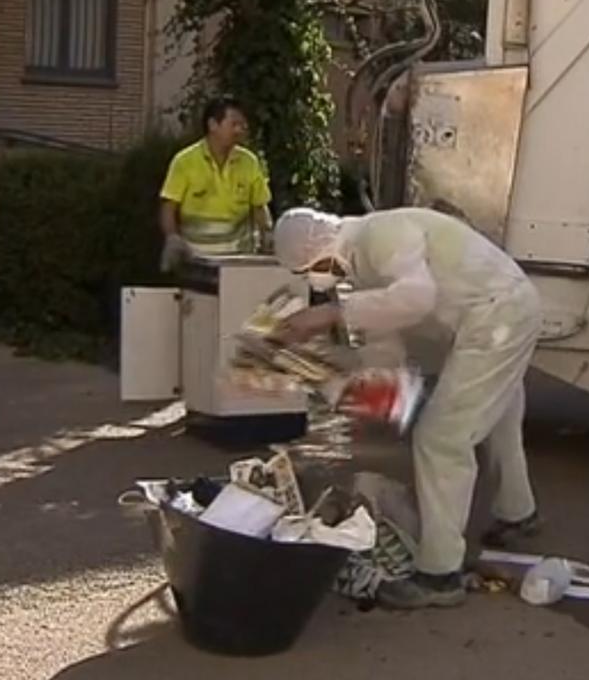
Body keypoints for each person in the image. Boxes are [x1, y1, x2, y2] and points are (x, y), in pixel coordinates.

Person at [271, 206, 543, 609]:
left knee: (441, 438)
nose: (315, 277)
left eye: (309, 267)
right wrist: (361, 385)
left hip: (497, 316)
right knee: (496, 416)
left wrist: (331, 314)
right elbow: (387, 342)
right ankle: (518, 513)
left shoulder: (379, 235)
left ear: (321, 247)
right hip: (500, 311)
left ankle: (440, 574)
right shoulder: (361, 264)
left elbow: (416, 298)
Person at [159, 96, 273, 270]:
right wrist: (172, 237)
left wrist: (268, 233)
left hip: (239, 261)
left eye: (242, 125)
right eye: (234, 124)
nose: (239, 130)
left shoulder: (249, 162)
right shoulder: (185, 161)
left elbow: (259, 206)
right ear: (213, 125)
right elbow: (169, 205)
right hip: (196, 260)